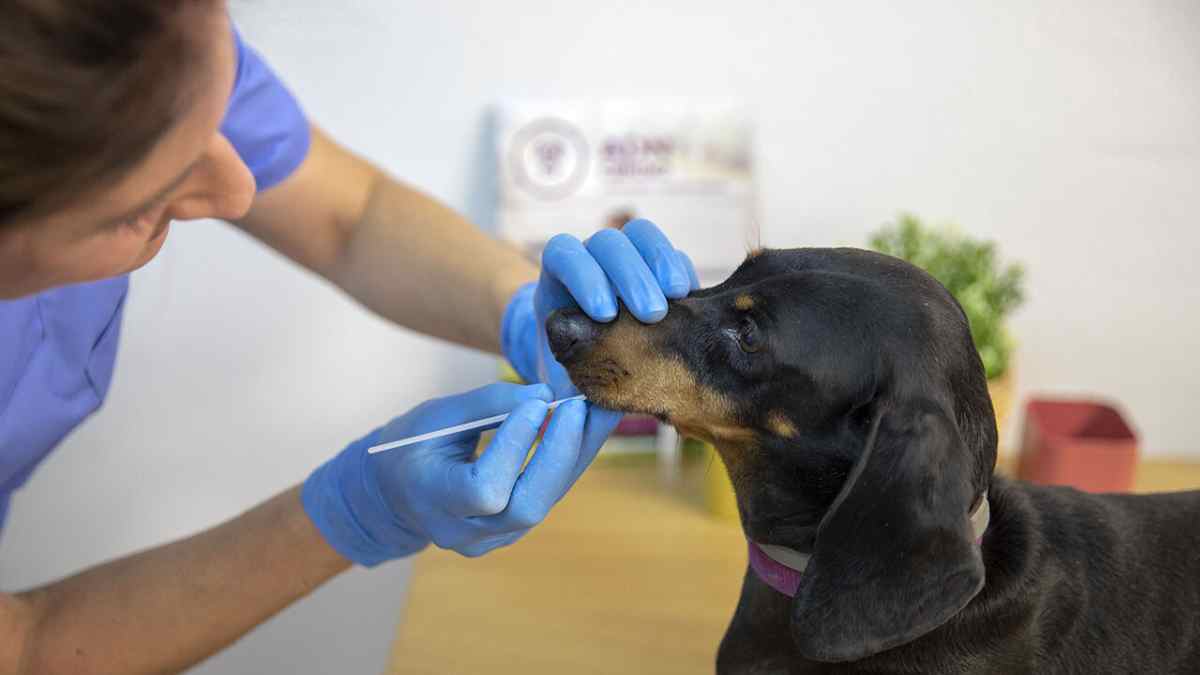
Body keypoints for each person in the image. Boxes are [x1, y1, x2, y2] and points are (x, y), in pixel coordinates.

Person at [0, 2, 698, 672]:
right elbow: (26, 650)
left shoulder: (136, 32)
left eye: (217, 113)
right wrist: (354, 511)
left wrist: (520, 307)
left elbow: (347, 215)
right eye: (141, 206)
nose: (240, 191)